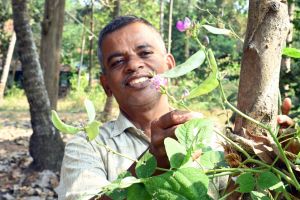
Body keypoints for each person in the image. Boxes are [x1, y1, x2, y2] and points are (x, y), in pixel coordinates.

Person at [56, 16, 294, 200]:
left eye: (145, 53)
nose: (134, 64)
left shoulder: (214, 136)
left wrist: (280, 159)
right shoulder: (88, 146)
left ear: (170, 64)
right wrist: (153, 165)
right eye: (118, 61)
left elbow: (240, 192)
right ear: (106, 84)